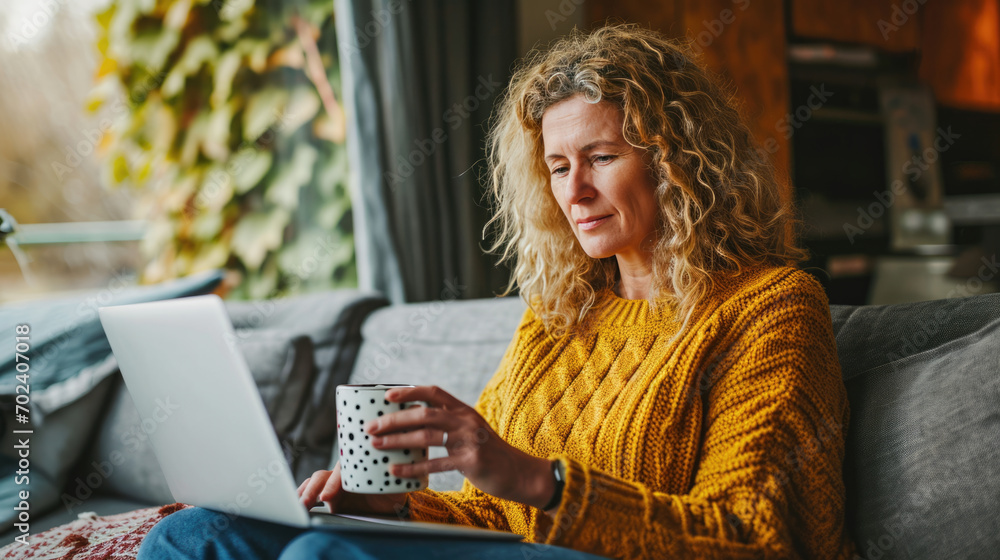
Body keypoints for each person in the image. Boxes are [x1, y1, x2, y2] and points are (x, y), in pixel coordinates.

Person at [138, 24, 857, 560]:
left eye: (601, 158)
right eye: (556, 166)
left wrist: (538, 480)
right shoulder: (561, 317)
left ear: (679, 163)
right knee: (195, 534)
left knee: (324, 558)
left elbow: (753, 539)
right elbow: (492, 517)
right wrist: (387, 507)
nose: (573, 191)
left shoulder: (770, 308)